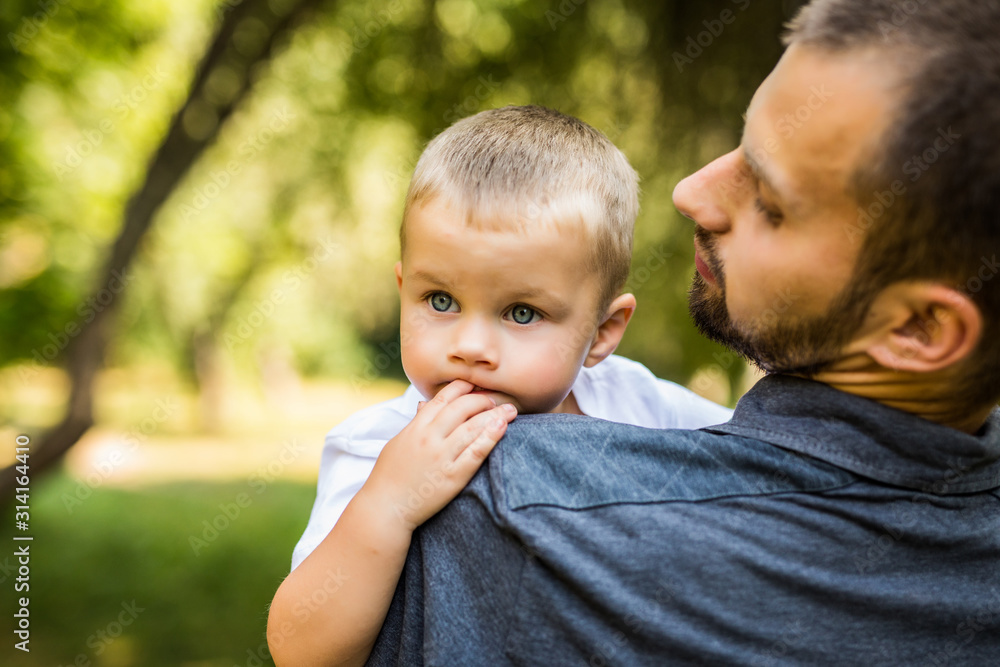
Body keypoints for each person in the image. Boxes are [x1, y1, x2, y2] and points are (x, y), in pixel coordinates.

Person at [349, 1, 1000, 664]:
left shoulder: (504, 497)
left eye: (769, 201)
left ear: (920, 328)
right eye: (739, 147)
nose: (692, 191)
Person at [266, 105, 732, 666]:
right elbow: (301, 651)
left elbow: (745, 465)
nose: (471, 346)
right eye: (440, 301)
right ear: (402, 288)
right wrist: (388, 506)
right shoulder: (380, 446)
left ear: (602, 332)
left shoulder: (633, 400)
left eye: (521, 312)